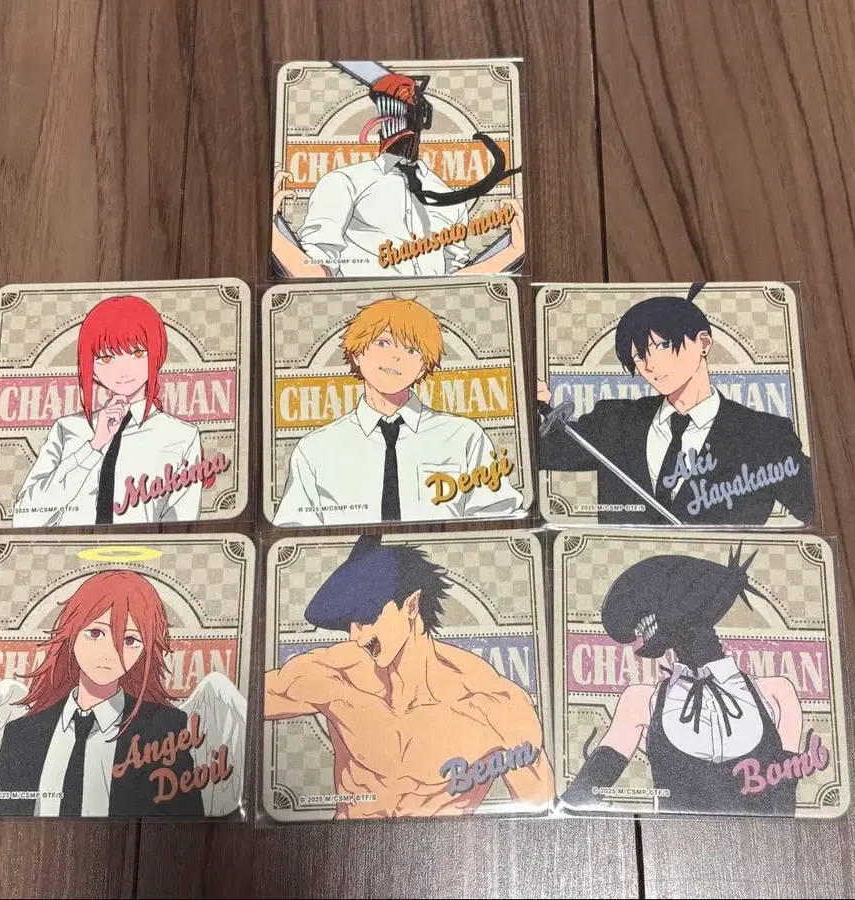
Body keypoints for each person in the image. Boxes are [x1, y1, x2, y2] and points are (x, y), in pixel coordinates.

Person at [264, 536, 554, 818]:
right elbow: (250, 701)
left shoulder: (495, 705)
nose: (356, 636)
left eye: (366, 618)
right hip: (346, 843)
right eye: (350, 623)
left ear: (411, 606)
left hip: (438, 847)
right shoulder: (335, 675)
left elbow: (541, 814)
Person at [538, 283, 815, 525]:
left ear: (703, 343)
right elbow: (535, 454)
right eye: (639, 356)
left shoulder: (765, 435)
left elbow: (817, 508)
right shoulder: (615, 421)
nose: (650, 365)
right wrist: (527, 404)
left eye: (662, 346)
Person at [560, 548, 804, 815]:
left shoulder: (777, 693)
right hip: (671, 837)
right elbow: (581, 794)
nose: (638, 633)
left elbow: (785, 805)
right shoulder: (641, 701)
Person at [272, 297, 524, 525]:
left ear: (424, 366)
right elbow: (294, 531)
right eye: (383, 343)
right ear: (357, 353)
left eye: (411, 350)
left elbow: (499, 517)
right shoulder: (315, 449)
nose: (396, 357)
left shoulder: (465, 436)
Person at [0, 571, 204, 817]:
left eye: (130, 640)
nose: (110, 652)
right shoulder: (21, 735)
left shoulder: (163, 730)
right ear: (72, 632)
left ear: (145, 650)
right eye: (96, 633)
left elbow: (188, 822)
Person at [280, 68, 524, 277]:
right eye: (388, 112)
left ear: (422, 117)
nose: (395, 122)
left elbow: (455, 279)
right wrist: (273, 231)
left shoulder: (450, 198)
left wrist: (514, 251)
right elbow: (315, 271)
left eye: (403, 112)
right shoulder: (343, 182)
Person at [12, 295, 203, 526]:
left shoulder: (181, 435)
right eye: (105, 357)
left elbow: (183, 527)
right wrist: (93, 446)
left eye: (138, 353)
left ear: (158, 354)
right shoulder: (67, 429)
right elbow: (24, 518)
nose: (122, 369)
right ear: (90, 367)